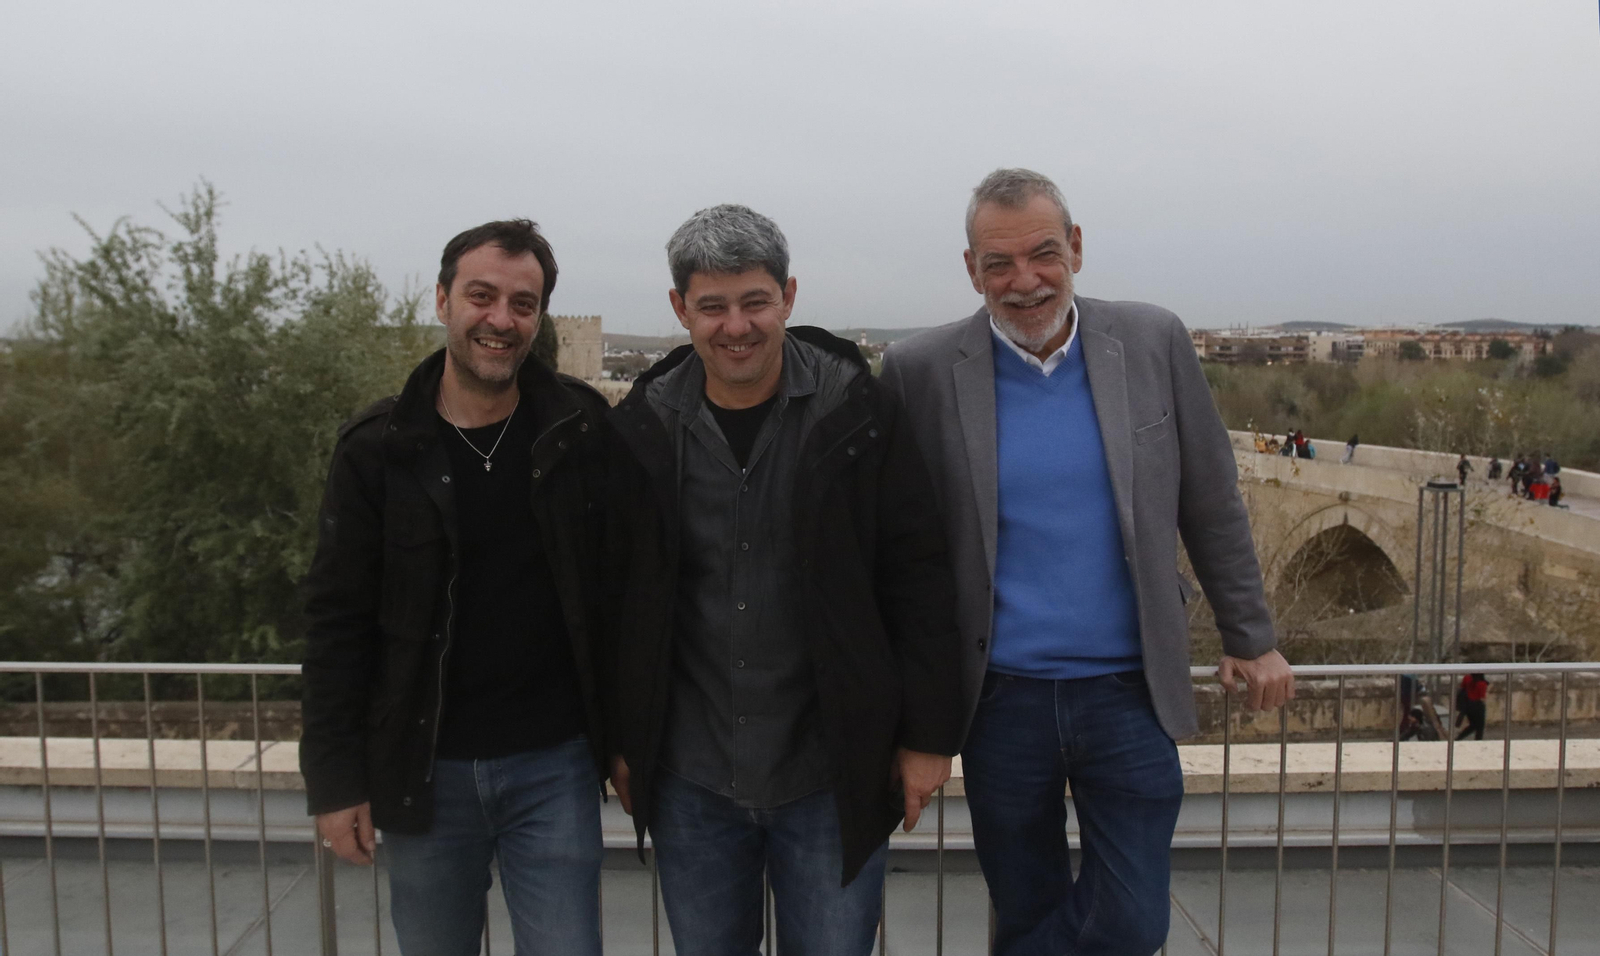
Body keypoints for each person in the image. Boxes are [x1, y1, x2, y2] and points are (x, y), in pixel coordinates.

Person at [881, 168, 1294, 956]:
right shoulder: (919, 371)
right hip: (1000, 700)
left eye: (1042, 254)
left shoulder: (1151, 341)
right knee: (1028, 905)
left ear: (1075, 247)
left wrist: (1250, 632)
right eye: (998, 264)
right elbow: (901, 550)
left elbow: (1209, 500)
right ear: (971, 270)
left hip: (1128, 692)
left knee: (1132, 919)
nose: (1024, 280)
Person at [605, 204, 963, 956]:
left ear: (789, 297)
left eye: (754, 302)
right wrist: (618, 736)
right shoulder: (643, 428)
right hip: (691, 778)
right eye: (712, 306)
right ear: (680, 310)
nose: (736, 326)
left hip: (828, 777)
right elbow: (616, 599)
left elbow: (919, 575)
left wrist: (928, 737)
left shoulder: (858, 416)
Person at [299, 221, 611, 955]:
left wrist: (629, 742)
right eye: (482, 296)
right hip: (424, 771)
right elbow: (336, 623)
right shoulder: (378, 450)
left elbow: (624, 593)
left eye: (523, 303)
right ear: (443, 301)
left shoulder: (580, 431)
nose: (501, 320)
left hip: (554, 768)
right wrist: (336, 780)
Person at [1455, 673, 1489, 741]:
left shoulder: (1467, 678)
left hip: (1468, 704)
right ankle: (1478, 740)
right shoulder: (1482, 684)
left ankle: (1459, 738)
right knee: (1480, 727)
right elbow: (1482, 697)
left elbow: (1462, 688)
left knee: (1473, 725)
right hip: (1478, 705)